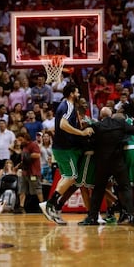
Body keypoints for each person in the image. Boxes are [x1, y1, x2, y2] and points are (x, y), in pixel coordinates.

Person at [39, 83, 94, 224]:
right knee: (72, 176)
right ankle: (49, 204)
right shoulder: (67, 106)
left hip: (62, 148)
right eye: (77, 92)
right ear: (71, 94)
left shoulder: (67, 106)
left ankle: (53, 208)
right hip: (64, 148)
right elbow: (63, 125)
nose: (79, 95)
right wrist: (81, 132)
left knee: (68, 178)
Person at [78, 108, 134, 226]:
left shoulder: (97, 125)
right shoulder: (120, 123)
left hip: (102, 162)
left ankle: (92, 218)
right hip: (117, 161)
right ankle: (131, 215)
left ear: (101, 116)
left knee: (98, 190)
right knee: (125, 187)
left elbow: (86, 137)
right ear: (111, 115)